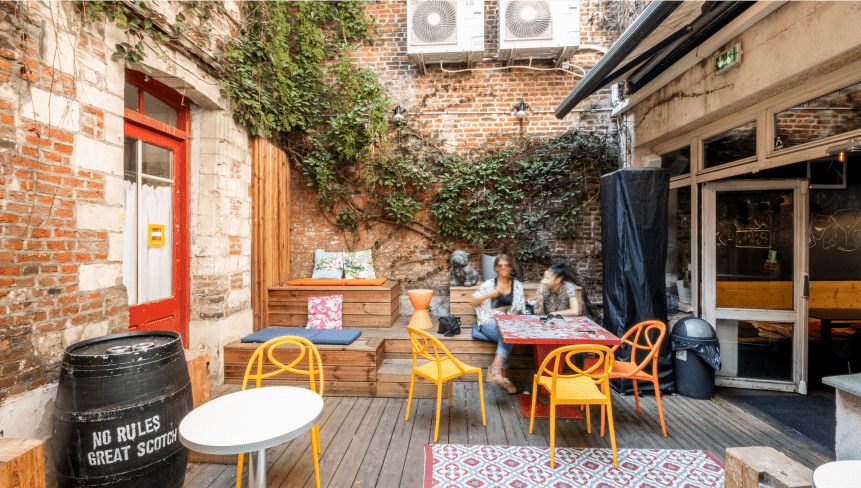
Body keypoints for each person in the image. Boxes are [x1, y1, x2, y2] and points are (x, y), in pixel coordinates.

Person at [470, 254, 524, 394]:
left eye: (506, 265)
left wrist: (505, 313)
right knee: (507, 334)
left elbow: (519, 308)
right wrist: (491, 294)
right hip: (488, 322)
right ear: (495, 268)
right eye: (500, 265)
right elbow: (473, 301)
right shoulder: (489, 284)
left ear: (511, 267)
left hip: (509, 323)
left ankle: (495, 369)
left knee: (508, 332)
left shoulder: (516, 285)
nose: (503, 268)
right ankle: (501, 375)